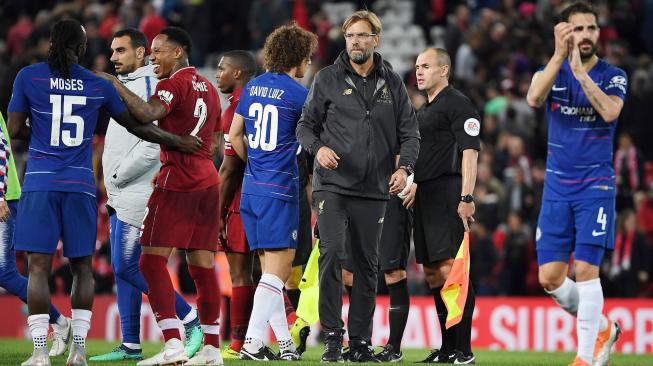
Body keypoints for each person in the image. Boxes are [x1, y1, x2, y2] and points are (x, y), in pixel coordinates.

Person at [7, 19, 201, 366]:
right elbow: (139, 126)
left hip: (40, 181)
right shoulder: (96, 84)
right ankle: (79, 350)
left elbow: (15, 128)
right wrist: (178, 141)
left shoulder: (28, 77)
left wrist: (42, 133)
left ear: (50, 43)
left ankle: (39, 353)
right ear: (82, 49)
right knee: (82, 268)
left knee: (37, 268)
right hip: (81, 185)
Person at [296, 10, 420, 363]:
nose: (355, 42)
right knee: (332, 255)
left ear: (375, 40)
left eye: (362, 36)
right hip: (333, 186)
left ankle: (360, 341)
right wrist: (318, 149)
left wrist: (405, 169)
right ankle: (333, 338)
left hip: (375, 189)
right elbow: (305, 126)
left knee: (368, 266)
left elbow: (410, 134)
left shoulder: (392, 82)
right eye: (350, 36)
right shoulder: (326, 79)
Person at [98, 27, 223, 366]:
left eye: (159, 50)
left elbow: (148, 115)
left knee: (149, 262)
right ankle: (212, 351)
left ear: (179, 52)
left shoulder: (172, 84)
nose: (153, 56)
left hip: (177, 181)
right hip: (207, 182)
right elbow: (215, 142)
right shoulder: (210, 88)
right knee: (202, 269)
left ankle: (173, 345)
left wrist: (114, 85)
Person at [526, 2, 626, 365]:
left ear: (599, 33)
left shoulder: (614, 75)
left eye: (592, 28)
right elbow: (534, 97)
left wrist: (582, 75)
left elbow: (612, 111)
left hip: (595, 187)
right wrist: (558, 57)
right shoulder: (552, 72)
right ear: (565, 32)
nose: (586, 35)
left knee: (585, 271)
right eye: (578, 29)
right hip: (556, 188)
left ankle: (585, 357)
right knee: (550, 277)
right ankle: (603, 327)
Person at [229, 23, 317, 361]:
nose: (308, 65)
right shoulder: (299, 95)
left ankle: (284, 345)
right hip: (280, 191)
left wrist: (256, 164)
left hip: (252, 189)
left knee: (271, 275)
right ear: (296, 59)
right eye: (306, 59)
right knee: (278, 274)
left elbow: (236, 135)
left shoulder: (251, 87)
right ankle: (252, 344)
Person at [408, 47, 480, 364]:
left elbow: (470, 152)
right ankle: (448, 347)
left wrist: (466, 197)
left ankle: (463, 350)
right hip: (425, 195)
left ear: (444, 70)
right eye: (417, 67)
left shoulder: (458, 104)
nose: (419, 71)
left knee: (453, 273)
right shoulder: (425, 110)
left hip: (448, 192)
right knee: (435, 275)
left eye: (425, 66)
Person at [0, 112, 72, 358]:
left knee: (4, 272)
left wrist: (0, 195)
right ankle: (60, 321)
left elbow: (1, 148)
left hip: (4, 199)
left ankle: (59, 321)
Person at [215, 50, 257, 359]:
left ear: (238, 73)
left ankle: (240, 343)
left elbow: (229, 169)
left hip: (241, 200)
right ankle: (264, 340)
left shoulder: (235, 111)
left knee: (241, 275)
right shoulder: (261, 100)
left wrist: (216, 213)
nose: (217, 73)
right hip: (271, 194)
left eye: (222, 68)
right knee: (267, 273)